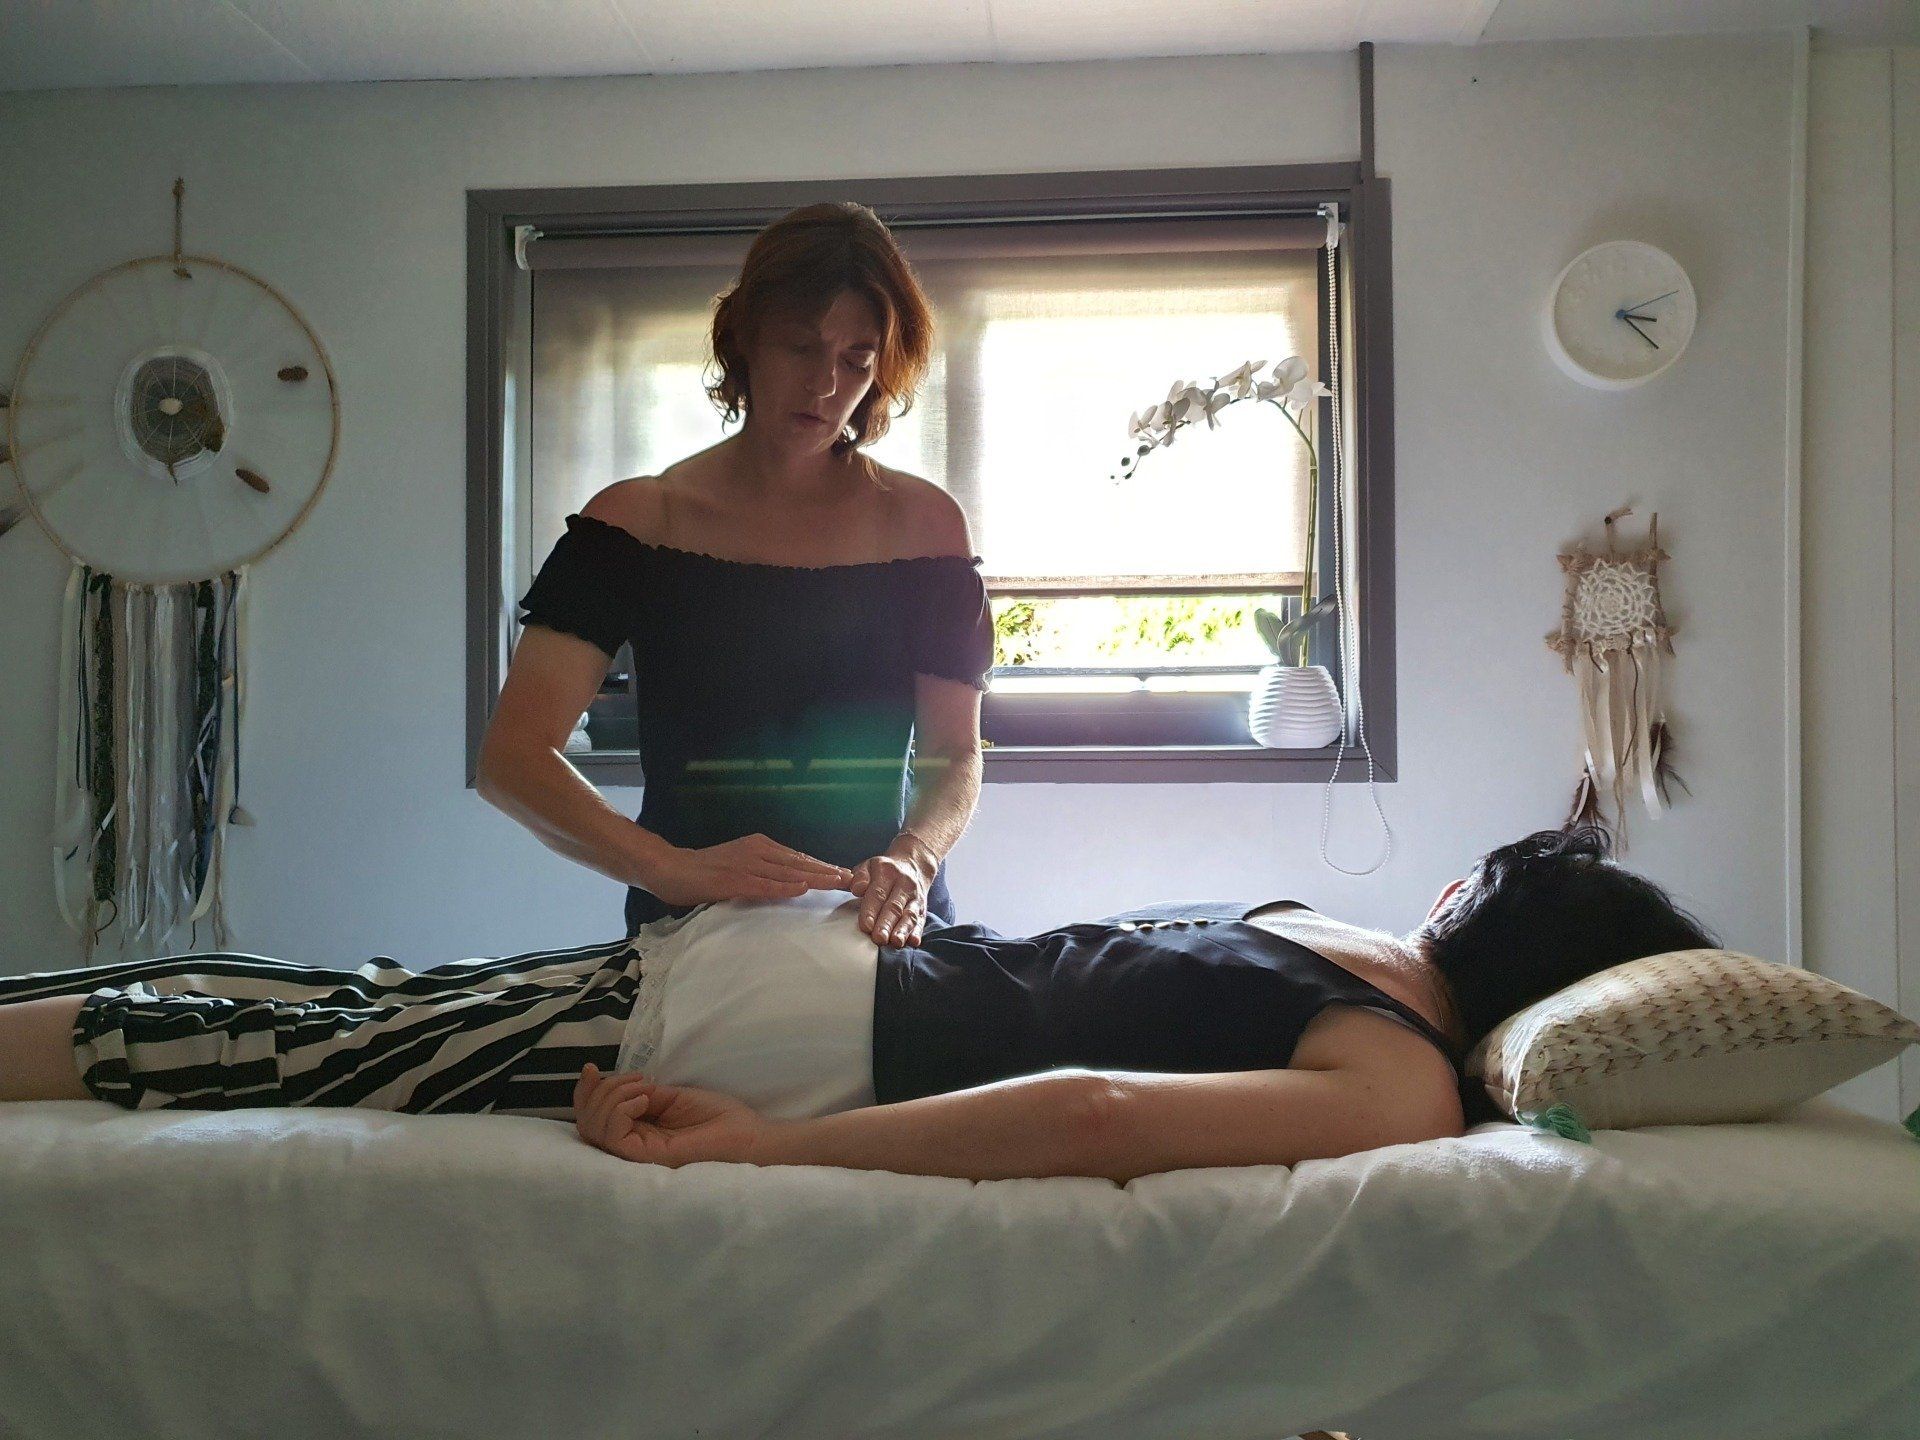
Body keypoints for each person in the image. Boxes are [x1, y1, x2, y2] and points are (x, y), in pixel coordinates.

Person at [0, 828, 1719, 1183]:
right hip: (787, 1019)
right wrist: (760, 1147)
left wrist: (762, 1146)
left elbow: (1092, 1089)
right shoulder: (1398, 1067)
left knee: (330, 1013)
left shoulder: (1318, 936)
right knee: (311, 1042)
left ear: (1472, 905)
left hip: (797, 985)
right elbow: (1093, 1104)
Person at [478, 200, 991, 952]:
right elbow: (513, 758)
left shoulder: (926, 526)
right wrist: (668, 868)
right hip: (695, 934)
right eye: (800, 348)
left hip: (879, 925)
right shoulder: (638, 522)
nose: (825, 384)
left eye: (856, 360)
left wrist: (914, 857)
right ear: (745, 338)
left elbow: (957, 755)